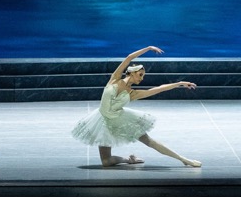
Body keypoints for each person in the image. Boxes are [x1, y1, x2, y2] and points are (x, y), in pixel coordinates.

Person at [70, 46, 201, 167]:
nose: (142, 78)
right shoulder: (115, 79)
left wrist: (179, 83)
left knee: (149, 141)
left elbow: (157, 89)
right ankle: (129, 160)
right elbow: (129, 57)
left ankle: (184, 159)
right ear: (132, 72)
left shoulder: (132, 93)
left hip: (120, 119)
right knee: (106, 162)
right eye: (140, 74)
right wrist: (148, 48)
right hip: (102, 121)